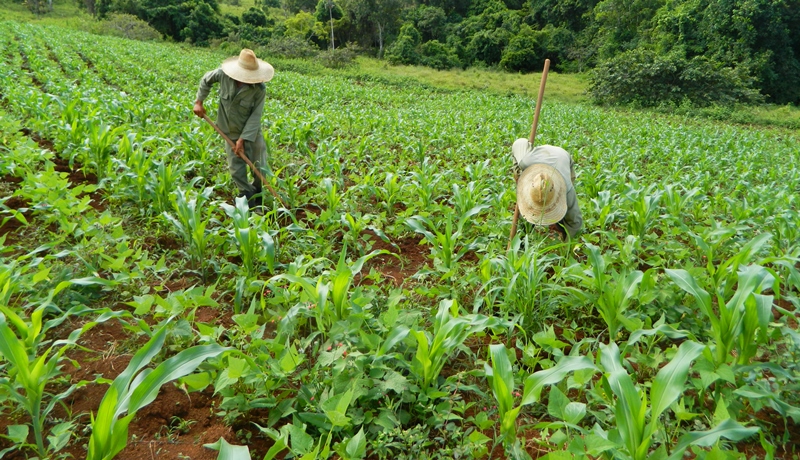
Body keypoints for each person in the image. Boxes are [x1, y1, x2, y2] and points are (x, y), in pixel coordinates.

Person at [193, 49, 274, 209]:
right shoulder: (222, 75)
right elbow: (205, 80)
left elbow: (255, 117)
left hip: (251, 133)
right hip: (228, 130)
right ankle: (246, 195)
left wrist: (242, 140)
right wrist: (199, 102)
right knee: (236, 169)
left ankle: (258, 192)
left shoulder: (259, 89)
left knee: (259, 166)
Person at [512, 138, 583, 239]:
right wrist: (517, 173)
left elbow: (575, 223)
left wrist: (567, 247)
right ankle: (525, 233)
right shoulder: (525, 161)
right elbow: (519, 143)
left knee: (565, 215)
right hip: (537, 157)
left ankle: (560, 226)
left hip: (561, 156)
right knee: (524, 214)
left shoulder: (566, 190)